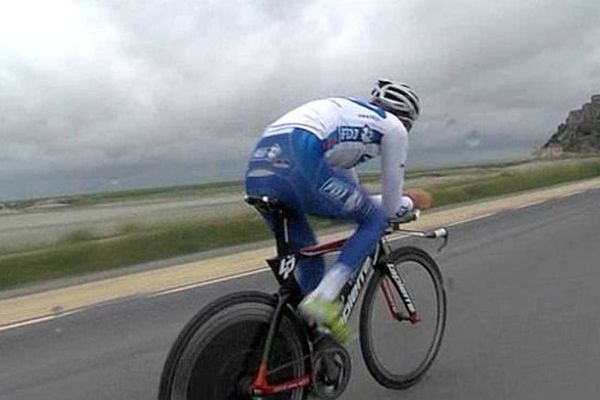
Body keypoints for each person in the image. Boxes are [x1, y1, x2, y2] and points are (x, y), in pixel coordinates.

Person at [245, 79, 432, 342]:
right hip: (300, 157)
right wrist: (410, 201)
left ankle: (308, 337)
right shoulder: (394, 128)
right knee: (375, 221)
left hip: (260, 168)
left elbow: (355, 197)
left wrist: (368, 210)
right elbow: (387, 208)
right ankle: (322, 299)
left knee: (309, 254)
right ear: (406, 121)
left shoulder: (350, 122)